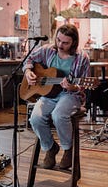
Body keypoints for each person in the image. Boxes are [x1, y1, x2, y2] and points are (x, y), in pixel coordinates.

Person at [23, 24, 90, 170]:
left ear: (74, 42)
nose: (60, 45)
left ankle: (67, 149)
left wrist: (73, 86)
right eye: (58, 40)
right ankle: (50, 147)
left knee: (58, 115)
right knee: (35, 118)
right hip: (48, 94)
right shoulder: (48, 50)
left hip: (70, 94)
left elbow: (83, 85)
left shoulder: (82, 57)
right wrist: (28, 72)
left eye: (65, 43)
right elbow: (28, 60)